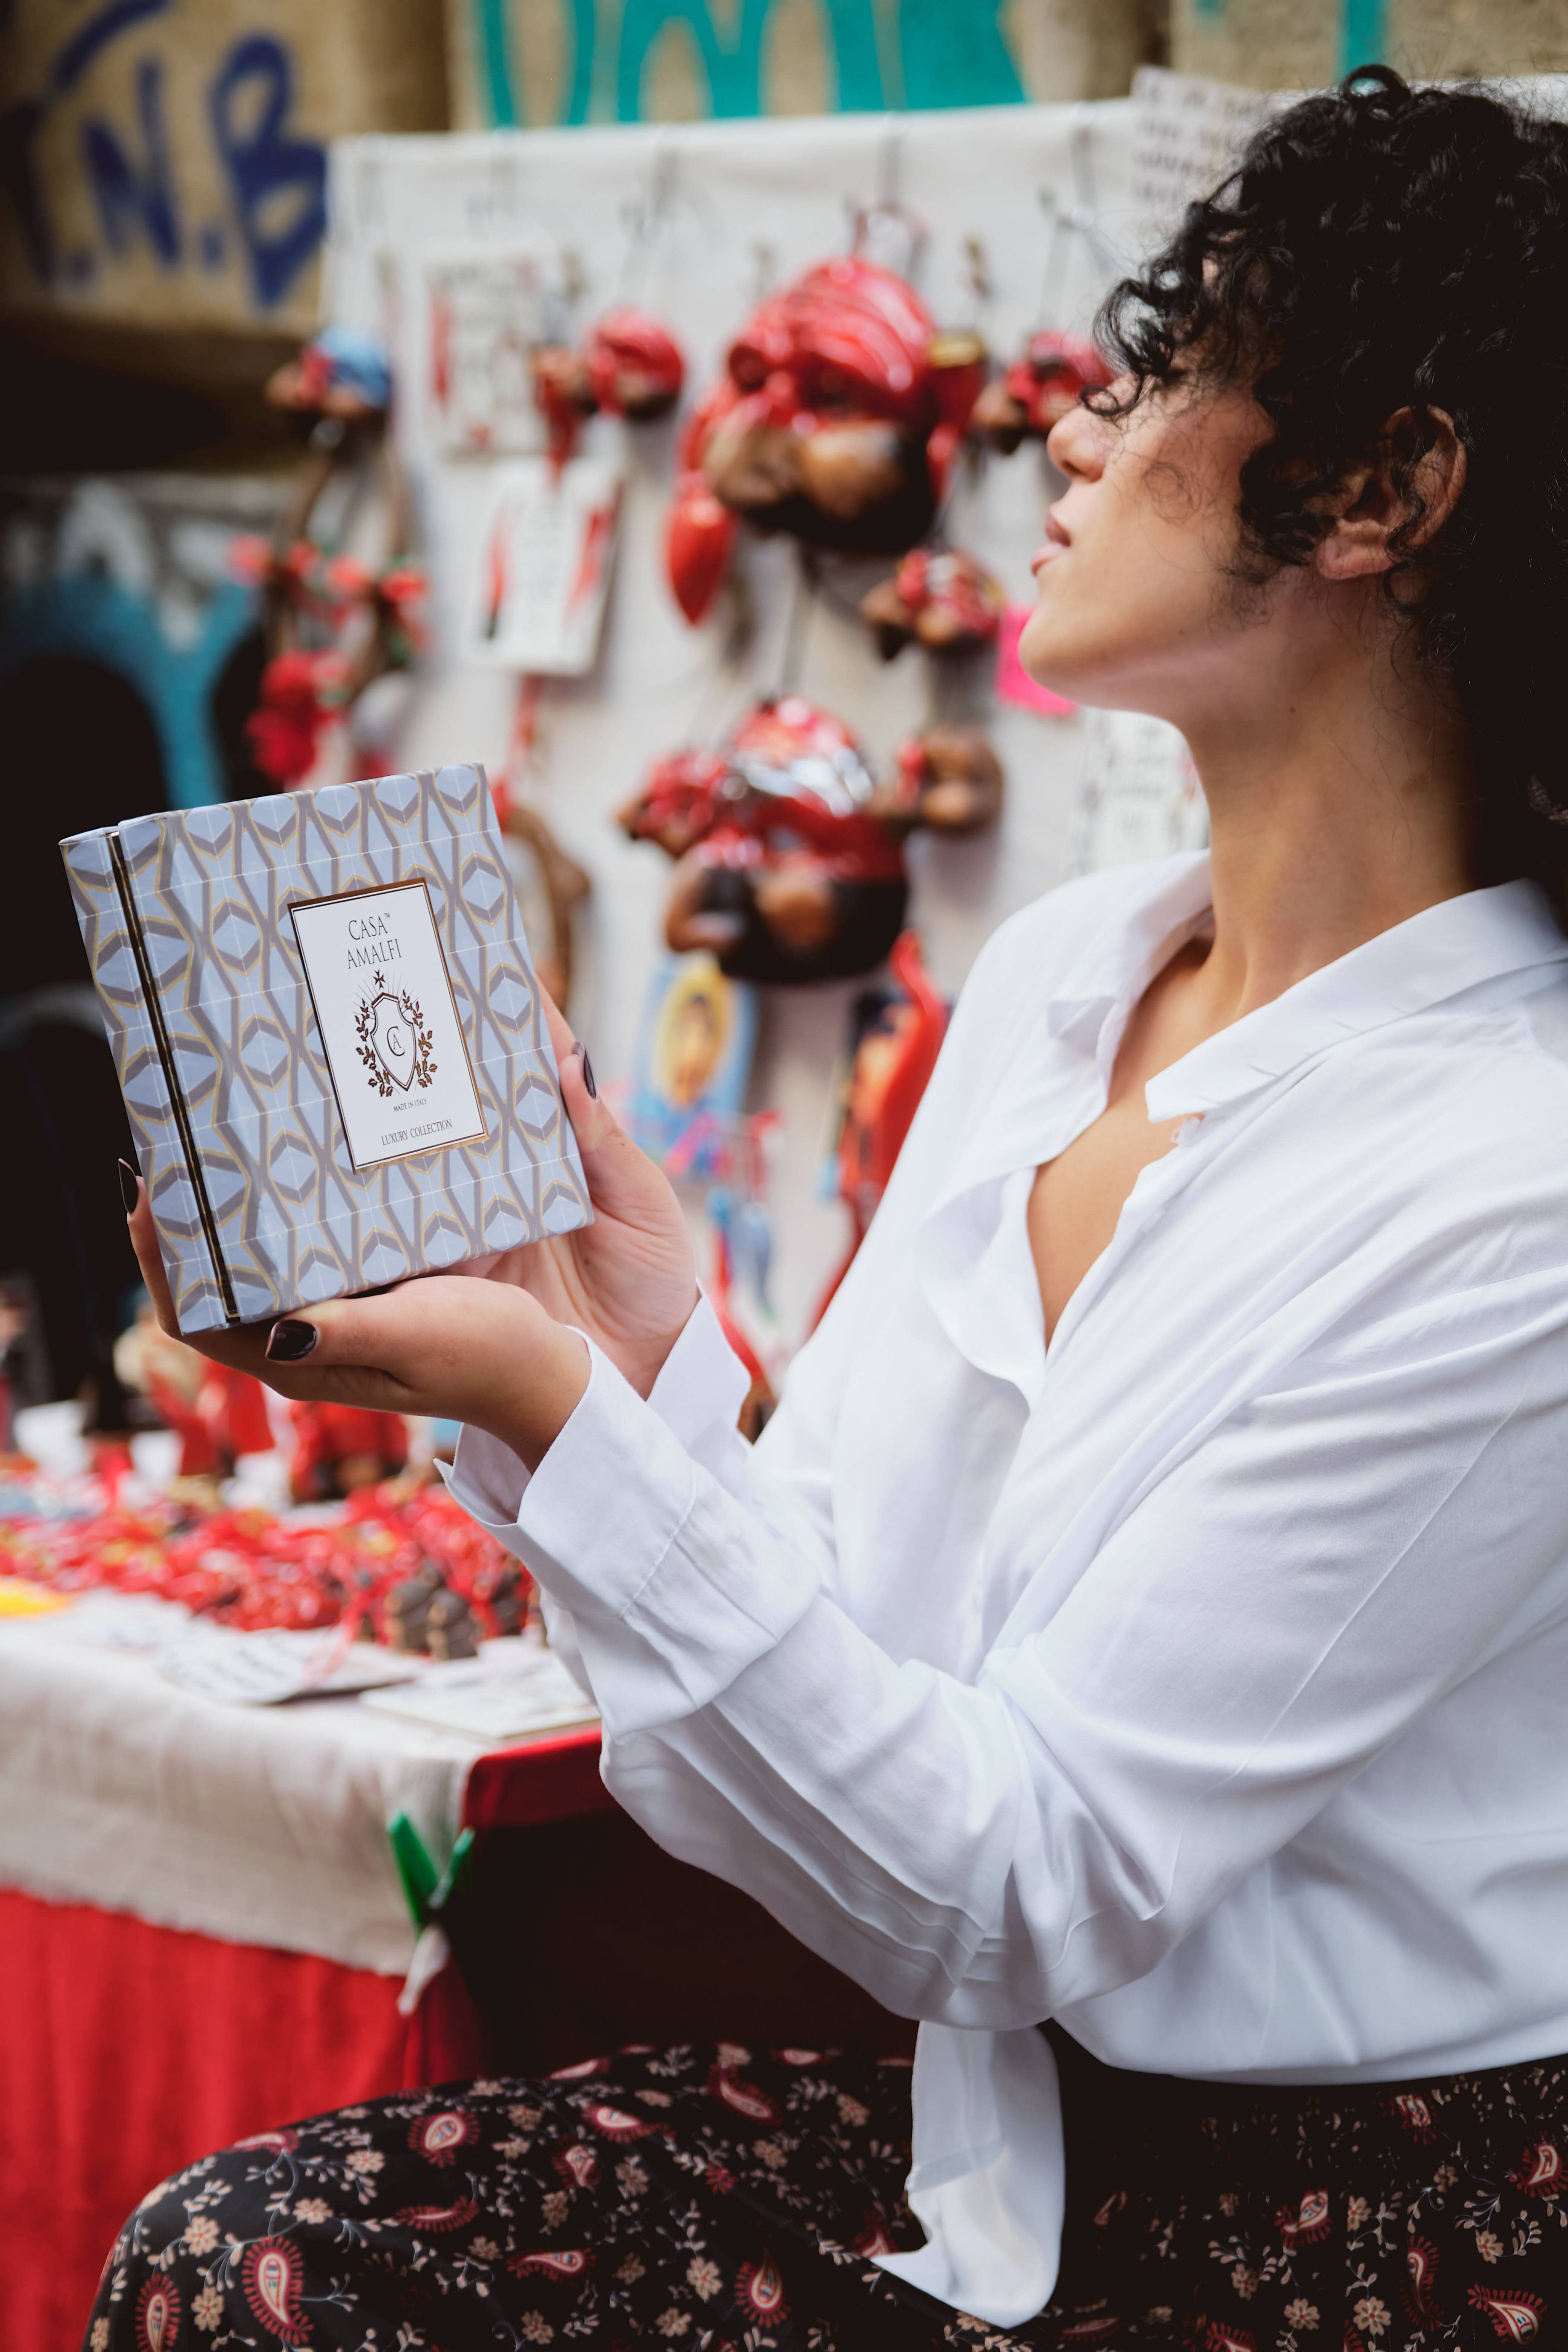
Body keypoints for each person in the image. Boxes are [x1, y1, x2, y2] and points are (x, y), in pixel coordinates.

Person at [90, 69, 1568, 2352]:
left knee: (267, 2294)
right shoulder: (1072, 976)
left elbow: (1005, 1883)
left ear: (1386, 489)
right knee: (230, 2252)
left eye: (1171, 370)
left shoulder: (1512, 1183)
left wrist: (574, 1419)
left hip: (1322, 2249)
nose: (1076, 439)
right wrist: (621, 1371)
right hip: (991, 2146)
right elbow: (849, 1708)